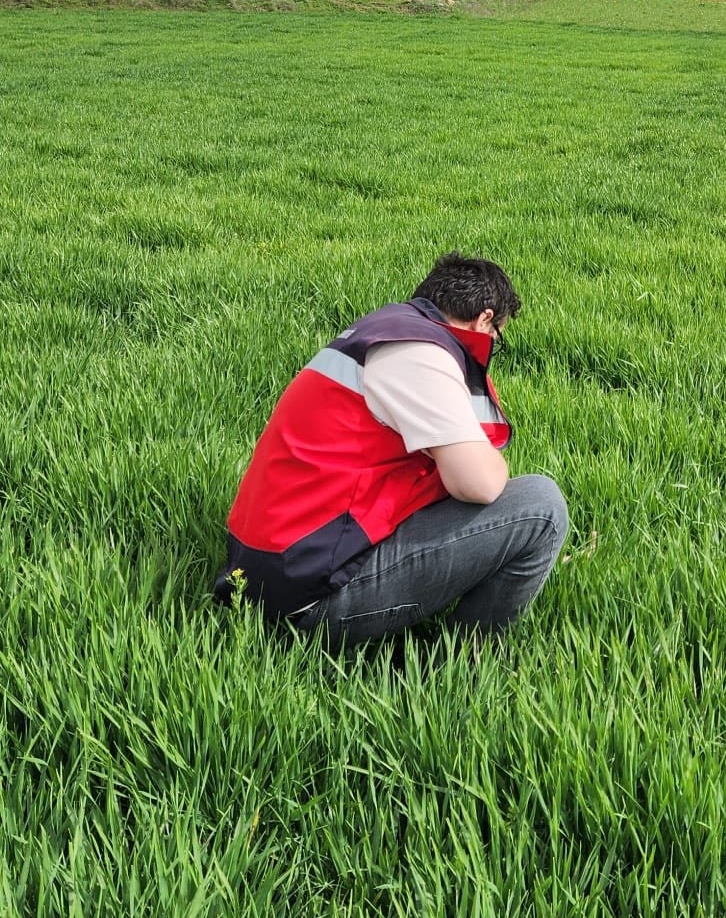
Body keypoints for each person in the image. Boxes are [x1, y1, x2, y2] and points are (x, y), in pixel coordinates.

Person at [214, 253, 568, 642]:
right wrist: (494, 462)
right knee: (542, 506)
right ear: (484, 320)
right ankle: (464, 664)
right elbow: (479, 484)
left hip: (270, 568)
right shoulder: (421, 354)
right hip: (312, 593)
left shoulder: (381, 334)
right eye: (497, 335)